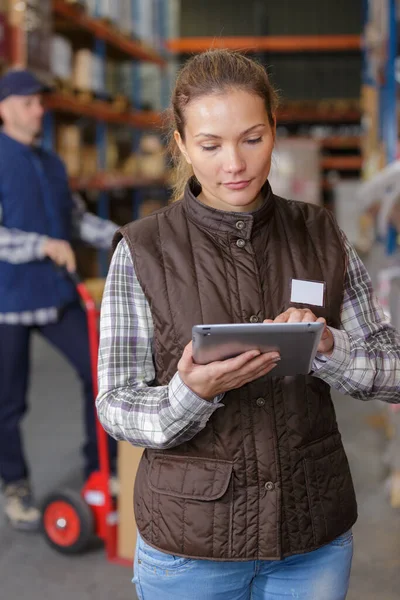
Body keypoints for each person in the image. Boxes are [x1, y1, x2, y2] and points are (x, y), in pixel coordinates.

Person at [96, 50, 400, 600]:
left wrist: (328, 345)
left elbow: (393, 371)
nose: (233, 163)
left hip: (310, 536)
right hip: (190, 548)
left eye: (251, 138)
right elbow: (115, 404)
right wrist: (187, 395)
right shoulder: (141, 251)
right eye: (210, 145)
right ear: (183, 145)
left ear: (274, 131)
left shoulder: (318, 232)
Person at [0, 70, 118, 532]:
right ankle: (15, 484)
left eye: (39, 102)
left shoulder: (50, 163)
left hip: (56, 293)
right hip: (7, 301)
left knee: (98, 373)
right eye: (29, 103)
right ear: (5, 107)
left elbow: (75, 220)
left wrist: (124, 236)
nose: (39, 110)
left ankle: (100, 469)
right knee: (8, 402)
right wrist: (42, 246)